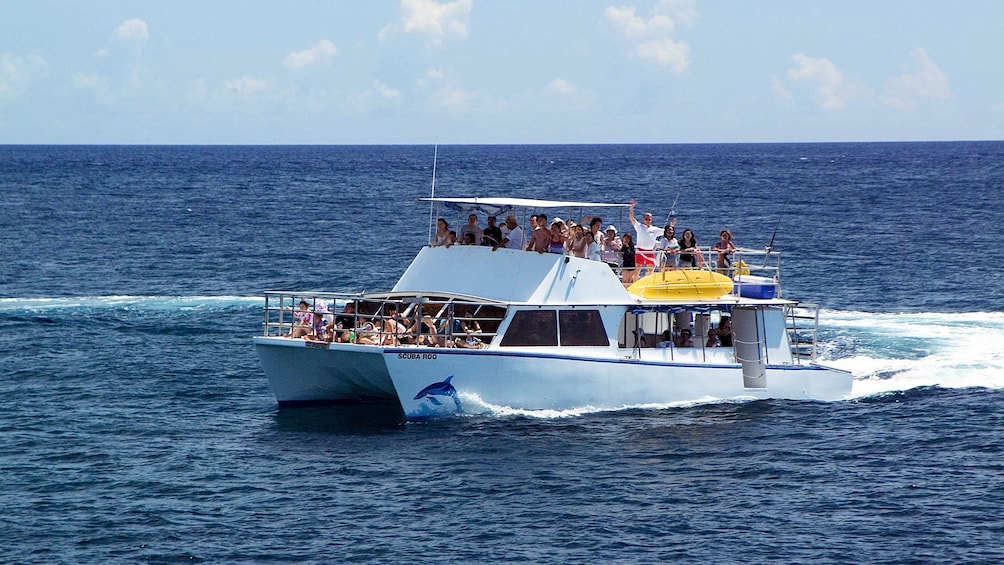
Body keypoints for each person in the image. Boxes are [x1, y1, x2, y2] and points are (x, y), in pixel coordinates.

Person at [628, 200, 663, 276]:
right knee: (637, 269)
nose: (648, 221)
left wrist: (671, 225)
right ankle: (635, 283)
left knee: (650, 271)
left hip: (650, 251)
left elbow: (666, 231)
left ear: (651, 220)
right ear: (643, 219)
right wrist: (631, 208)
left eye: (649, 219)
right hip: (640, 251)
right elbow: (631, 218)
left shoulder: (655, 229)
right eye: (646, 219)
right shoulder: (639, 226)